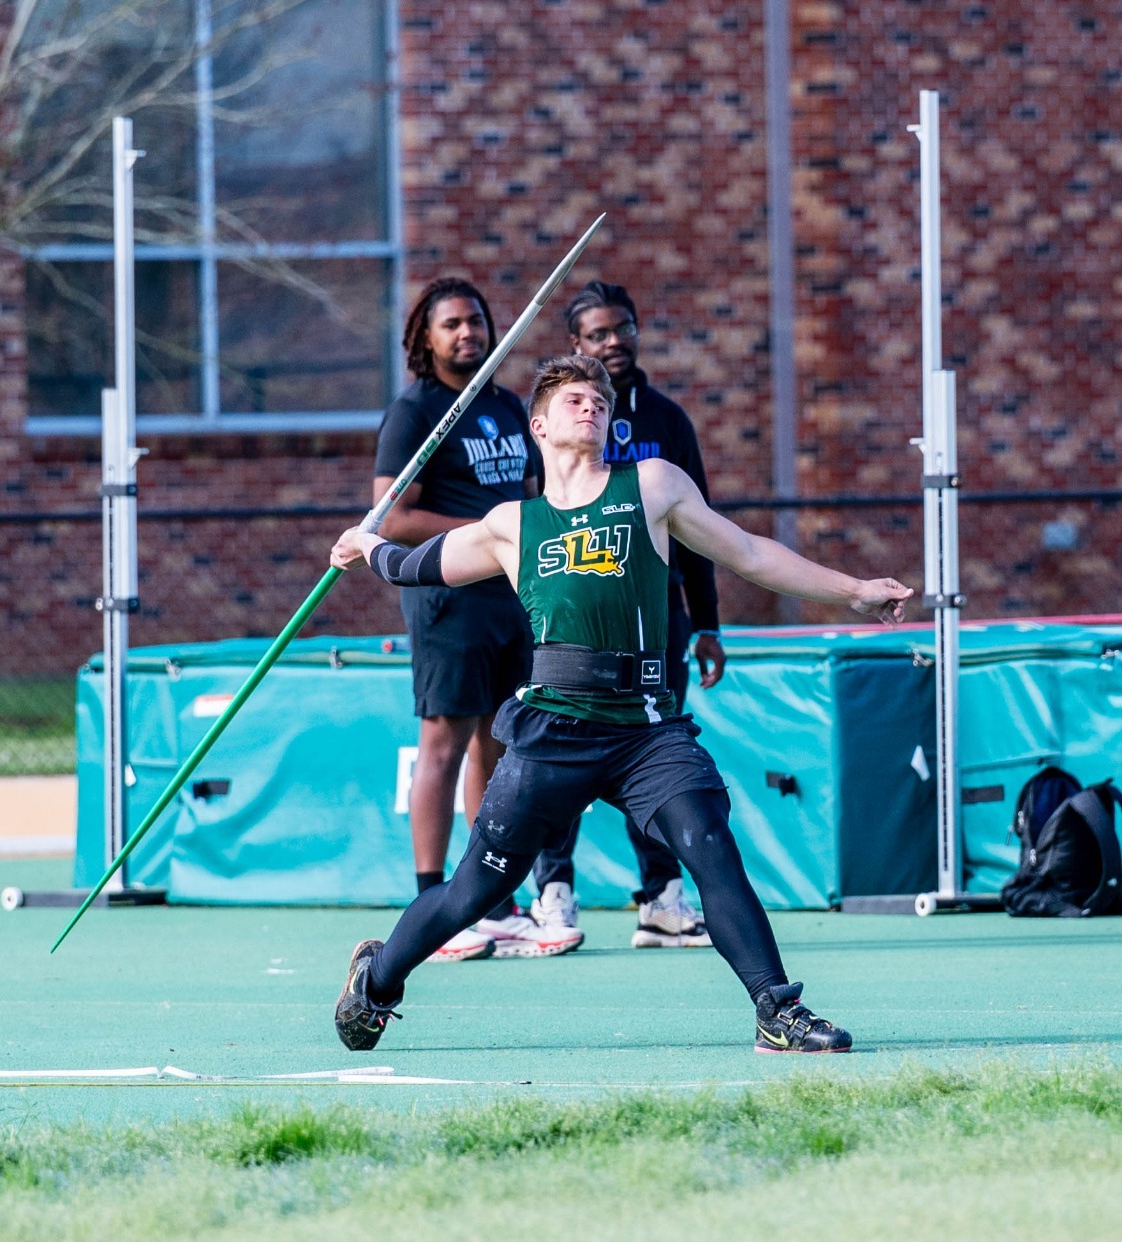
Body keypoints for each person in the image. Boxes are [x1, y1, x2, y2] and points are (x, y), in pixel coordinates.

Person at [331, 355, 913, 1053]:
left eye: (600, 402)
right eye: (575, 399)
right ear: (537, 425)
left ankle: (776, 1011)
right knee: (475, 891)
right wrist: (368, 543)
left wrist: (852, 591)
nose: (592, 408)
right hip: (552, 729)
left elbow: (749, 553)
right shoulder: (513, 524)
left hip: (645, 729)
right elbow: (415, 567)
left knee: (709, 846)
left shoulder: (653, 487)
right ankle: (378, 976)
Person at [374, 277, 584, 961]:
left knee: (499, 746)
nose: (468, 334)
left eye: (476, 321)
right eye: (452, 325)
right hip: (447, 599)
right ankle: (433, 904)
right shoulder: (415, 412)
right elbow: (393, 517)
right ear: (426, 338)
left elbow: (532, 496)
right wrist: (489, 532)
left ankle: (488, 900)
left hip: (511, 599)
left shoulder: (502, 405)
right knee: (443, 743)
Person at [527, 281, 727, 948]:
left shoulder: (666, 422)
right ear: (575, 345)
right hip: (575, 628)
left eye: (624, 329)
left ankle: (662, 899)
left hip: (655, 622)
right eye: (598, 334)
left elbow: (701, 534)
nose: (614, 342)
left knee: (658, 753)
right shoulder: (563, 421)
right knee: (564, 753)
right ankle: (554, 894)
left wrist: (707, 624)